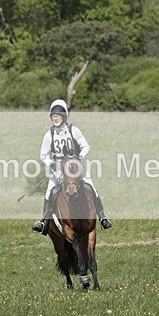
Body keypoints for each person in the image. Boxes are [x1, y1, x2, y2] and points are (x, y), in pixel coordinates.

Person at [32, 99, 112, 235]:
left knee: (91, 187)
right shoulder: (49, 135)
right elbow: (43, 155)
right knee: (49, 192)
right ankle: (44, 223)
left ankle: (102, 217)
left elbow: (86, 146)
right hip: (59, 169)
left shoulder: (73, 130)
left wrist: (80, 157)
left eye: (58, 116)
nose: (55, 118)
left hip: (76, 167)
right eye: (53, 116)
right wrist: (53, 164)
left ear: (64, 117)